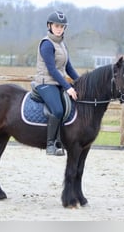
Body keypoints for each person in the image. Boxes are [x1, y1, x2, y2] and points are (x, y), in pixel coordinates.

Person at [33, 10, 79, 156]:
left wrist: (80, 83)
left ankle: (62, 140)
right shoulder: (47, 44)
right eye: (56, 26)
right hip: (45, 82)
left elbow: (69, 68)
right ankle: (50, 144)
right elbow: (52, 70)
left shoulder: (63, 45)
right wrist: (68, 87)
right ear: (49, 26)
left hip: (58, 83)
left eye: (62, 26)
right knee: (58, 110)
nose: (59, 29)